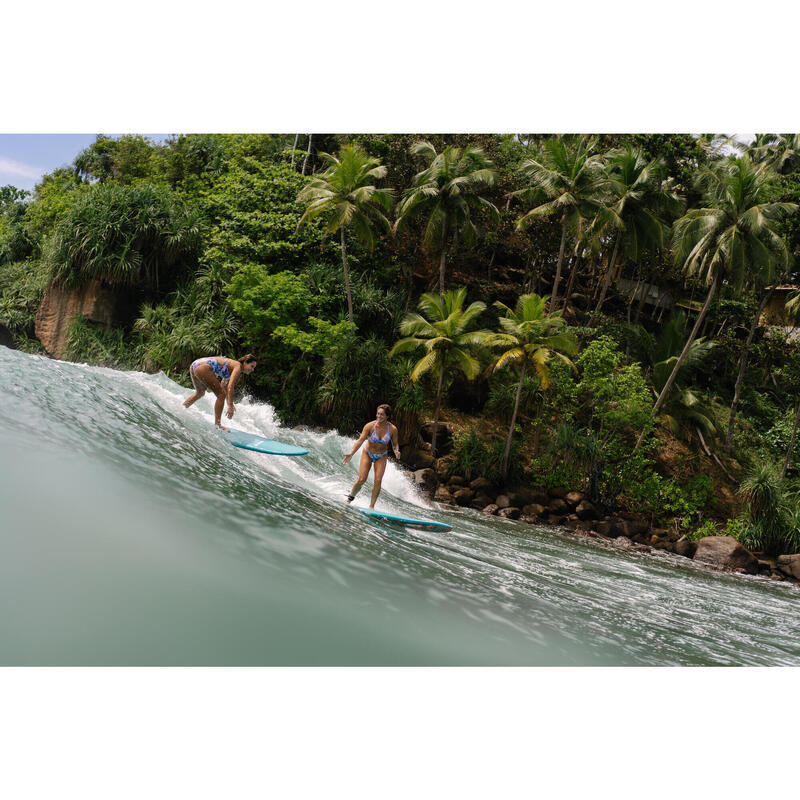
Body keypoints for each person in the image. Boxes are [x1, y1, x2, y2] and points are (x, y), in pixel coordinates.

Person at [343, 404, 401, 509]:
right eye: (378, 413)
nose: (379, 416)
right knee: (362, 479)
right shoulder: (370, 426)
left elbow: (395, 443)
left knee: (378, 480)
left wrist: (396, 450)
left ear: (387, 416)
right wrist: (351, 453)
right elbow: (360, 441)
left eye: (382, 414)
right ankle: (350, 497)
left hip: (381, 455)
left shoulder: (392, 429)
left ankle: (371, 506)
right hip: (368, 453)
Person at [183, 354, 257, 430]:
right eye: (252, 366)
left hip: (195, 365)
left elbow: (224, 385)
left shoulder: (232, 366)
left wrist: (229, 403)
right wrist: (230, 406)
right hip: (203, 367)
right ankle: (218, 425)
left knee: (200, 393)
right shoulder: (237, 367)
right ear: (245, 362)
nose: (252, 369)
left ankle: (182, 408)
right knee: (221, 395)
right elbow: (230, 387)